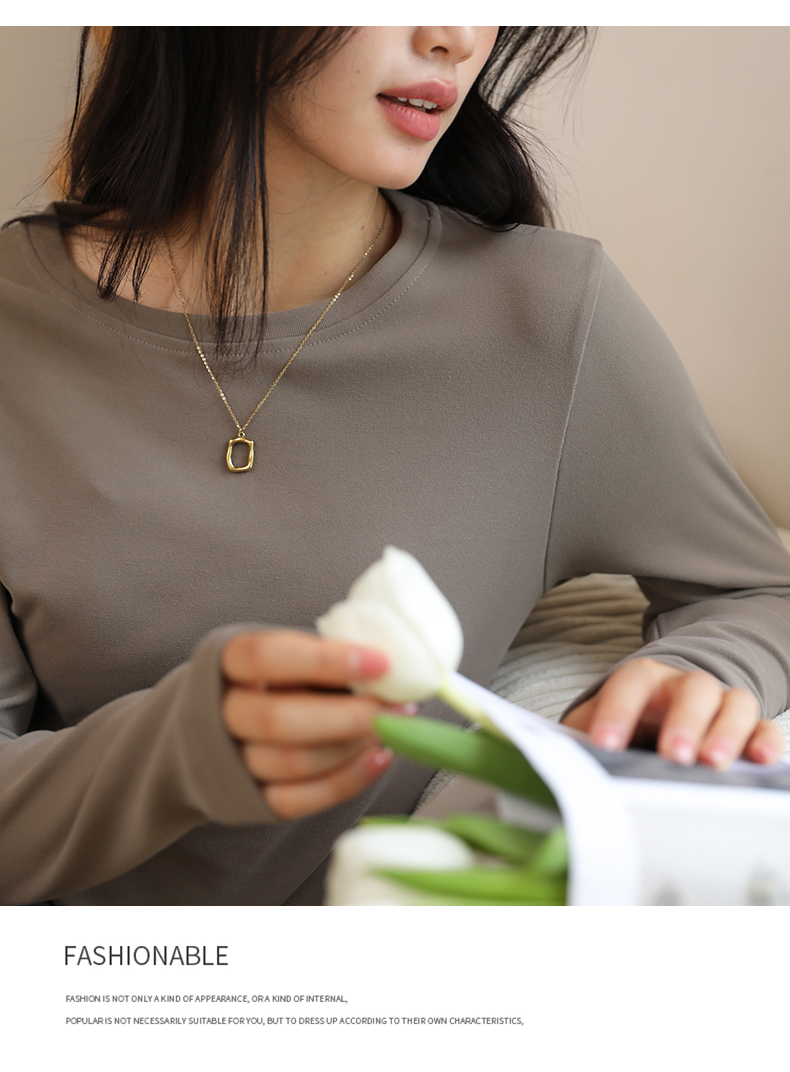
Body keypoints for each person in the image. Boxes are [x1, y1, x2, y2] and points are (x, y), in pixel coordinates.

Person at [1, 26, 789, 906]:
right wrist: (176, 752)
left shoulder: (546, 322)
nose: (456, 35)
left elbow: (762, 588)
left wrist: (697, 677)